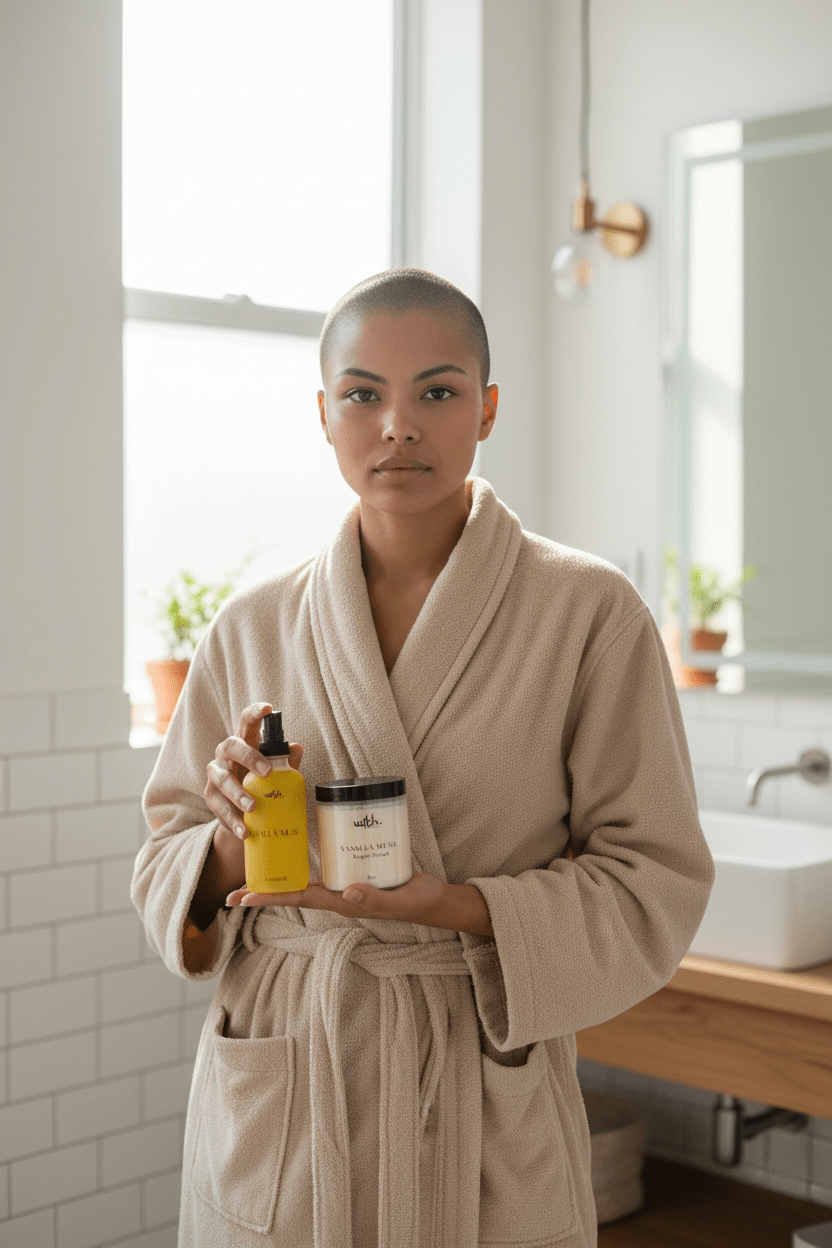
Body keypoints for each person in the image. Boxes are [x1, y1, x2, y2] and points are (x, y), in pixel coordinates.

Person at [132, 267, 714, 1248]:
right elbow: (164, 861)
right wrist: (232, 840)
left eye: (437, 392)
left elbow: (653, 877)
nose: (398, 425)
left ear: (486, 409)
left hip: (472, 1073)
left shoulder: (589, 613)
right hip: (291, 1078)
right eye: (363, 394)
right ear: (324, 415)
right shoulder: (252, 623)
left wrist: (452, 906)